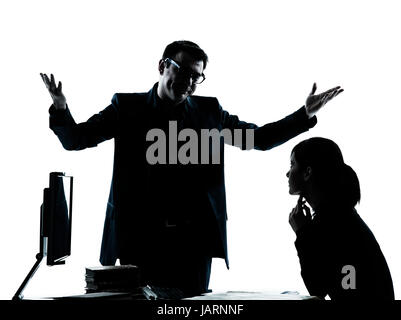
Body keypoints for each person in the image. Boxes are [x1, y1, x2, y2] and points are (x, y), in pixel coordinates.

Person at [41, 40, 343, 297]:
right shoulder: (127, 109)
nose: (187, 82)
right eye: (182, 71)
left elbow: (258, 139)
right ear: (163, 66)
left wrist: (304, 115)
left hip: (191, 248)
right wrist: (60, 108)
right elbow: (77, 140)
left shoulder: (209, 115)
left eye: (196, 77)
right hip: (137, 242)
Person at [287, 137, 394, 300]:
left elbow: (317, 287)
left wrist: (303, 234)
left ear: (308, 172)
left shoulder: (332, 222)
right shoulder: (340, 216)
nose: (287, 173)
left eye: (292, 164)